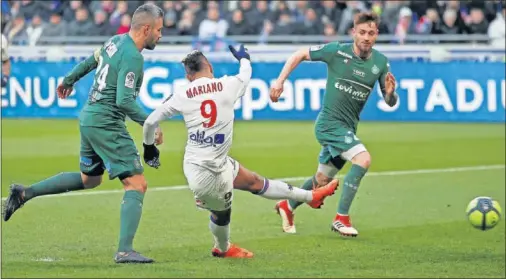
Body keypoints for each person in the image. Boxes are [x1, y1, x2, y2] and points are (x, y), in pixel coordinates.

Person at [2, 4, 165, 264]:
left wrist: (68, 79)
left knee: (90, 179)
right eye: (158, 30)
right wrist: (151, 122)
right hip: (106, 123)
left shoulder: (115, 41)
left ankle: (24, 193)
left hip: (89, 117)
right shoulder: (134, 56)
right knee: (137, 183)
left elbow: (91, 61)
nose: (160, 35)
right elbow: (123, 100)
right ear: (146, 28)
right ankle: (124, 251)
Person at [142, 45, 338, 258]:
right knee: (222, 215)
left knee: (254, 181)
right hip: (208, 174)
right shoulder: (228, 84)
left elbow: (150, 121)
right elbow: (246, 72)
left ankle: (311, 196)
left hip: (202, 164)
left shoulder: (182, 94)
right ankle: (223, 248)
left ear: (189, 75)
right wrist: (243, 57)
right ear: (208, 65)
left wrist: (149, 147)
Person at [269, 12, 398, 237]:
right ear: (354, 33)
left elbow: (390, 102)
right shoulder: (337, 51)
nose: (366, 37)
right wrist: (279, 82)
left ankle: (287, 206)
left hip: (347, 128)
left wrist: (390, 93)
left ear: (376, 35)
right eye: (362, 32)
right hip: (329, 125)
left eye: (371, 33)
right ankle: (341, 218)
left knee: (321, 180)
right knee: (363, 159)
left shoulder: (380, 62)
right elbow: (300, 54)